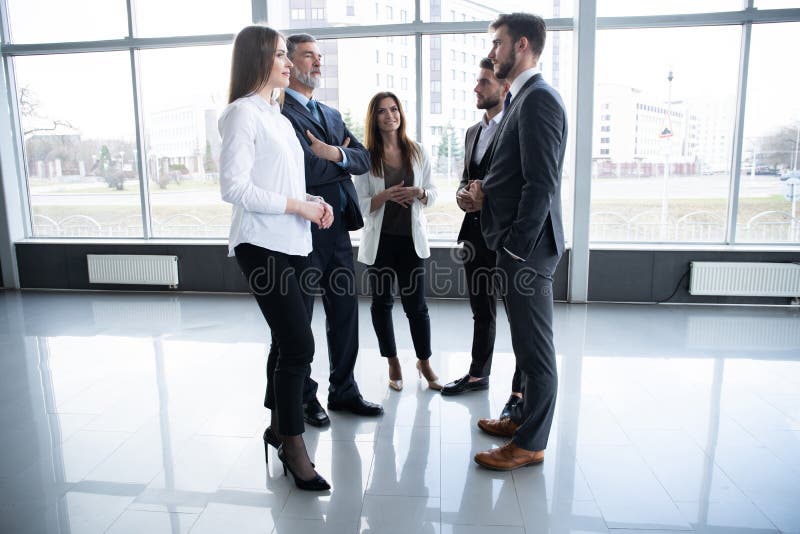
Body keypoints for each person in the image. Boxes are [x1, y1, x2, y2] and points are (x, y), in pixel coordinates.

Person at [219, 25, 332, 490]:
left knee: (286, 344)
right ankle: (292, 443)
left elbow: (282, 183)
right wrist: (299, 206)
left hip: (295, 242)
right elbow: (235, 189)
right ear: (260, 58)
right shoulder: (241, 114)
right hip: (260, 245)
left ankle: (277, 426)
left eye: (290, 55)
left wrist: (312, 201)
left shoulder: (280, 118)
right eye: (282, 55)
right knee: (299, 346)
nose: (290, 63)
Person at [466, 13, 567, 471]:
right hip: (517, 245)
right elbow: (516, 171)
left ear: (520, 45)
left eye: (497, 44)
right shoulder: (520, 99)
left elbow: (541, 184)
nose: (492, 53)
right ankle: (522, 419)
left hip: (525, 250)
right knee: (525, 345)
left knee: (535, 350)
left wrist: (513, 248)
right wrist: (486, 192)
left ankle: (530, 442)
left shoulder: (538, 99)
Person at [281, 33, 383, 424]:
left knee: (344, 314)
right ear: (289, 65)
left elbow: (364, 158)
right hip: (304, 230)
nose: (318, 63)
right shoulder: (282, 114)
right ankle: (306, 397)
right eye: (309, 56)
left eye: (319, 56)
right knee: (300, 318)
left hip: (338, 230)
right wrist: (334, 159)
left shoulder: (332, 115)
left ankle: (344, 390)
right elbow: (304, 169)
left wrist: (333, 153)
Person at [441, 58, 524, 421]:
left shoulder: (517, 126)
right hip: (474, 233)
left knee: (520, 316)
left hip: (507, 235)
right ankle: (479, 374)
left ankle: (520, 390)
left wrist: (484, 195)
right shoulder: (473, 131)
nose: (476, 88)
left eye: (483, 82)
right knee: (482, 310)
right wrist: (463, 195)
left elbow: (523, 183)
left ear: (504, 88)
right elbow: (466, 178)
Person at [355, 92, 441, 392]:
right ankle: (392, 361)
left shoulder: (417, 151)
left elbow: (433, 192)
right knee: (381, 305)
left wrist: (419, 193)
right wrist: (385, 196)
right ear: (374, 118)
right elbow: (360, 204)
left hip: (410, 243)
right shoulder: (366, 157)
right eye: (382, 111)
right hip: (380, 244)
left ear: (400, 114)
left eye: (394, 109)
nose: (390, 115)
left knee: (417, 307)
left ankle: (424, 361)